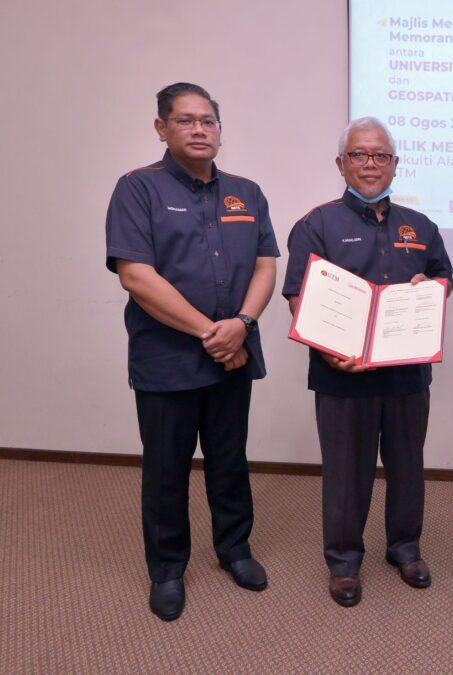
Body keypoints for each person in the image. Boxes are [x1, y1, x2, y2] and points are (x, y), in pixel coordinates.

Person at [105, 82, 279, 621]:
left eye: (208, 121)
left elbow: (267, 264)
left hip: (234, 356)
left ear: (220, 130)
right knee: (167, 469)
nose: (199, 129)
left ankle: (234, 550)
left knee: (229, 460)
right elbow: (136, 274)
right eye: (185, 120)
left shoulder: (246, 192)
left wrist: (243, 324)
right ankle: (167, 569)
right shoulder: (138, 188)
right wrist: (215, 333)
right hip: (168, 360)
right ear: (162, 128)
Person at [282, 117, 452, 607]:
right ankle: (343, 562)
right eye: (359, 154)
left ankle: (404, 549)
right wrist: (332, 350)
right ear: (342, 163)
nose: (371, 163)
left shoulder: (421, 227)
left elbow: (443, 277)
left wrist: (432, 290)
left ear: (395, 163)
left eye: (381, 155)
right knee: (345, 471)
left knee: (407, 465)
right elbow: (299, 296)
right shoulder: (316, 224)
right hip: (342, 377)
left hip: (407, 374)